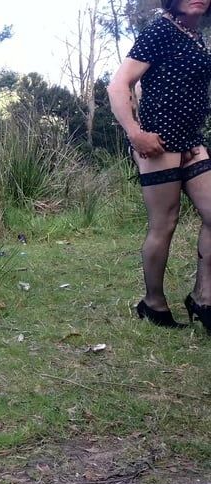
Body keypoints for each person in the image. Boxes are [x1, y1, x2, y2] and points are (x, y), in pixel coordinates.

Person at [108, 0, 211, 332]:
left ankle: (202, 298)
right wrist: (136, 134)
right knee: (164, 225)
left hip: (192, 142)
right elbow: (118, 84)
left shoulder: (195, 35)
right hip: (159, 146)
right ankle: (153, 303)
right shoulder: (160, 30)